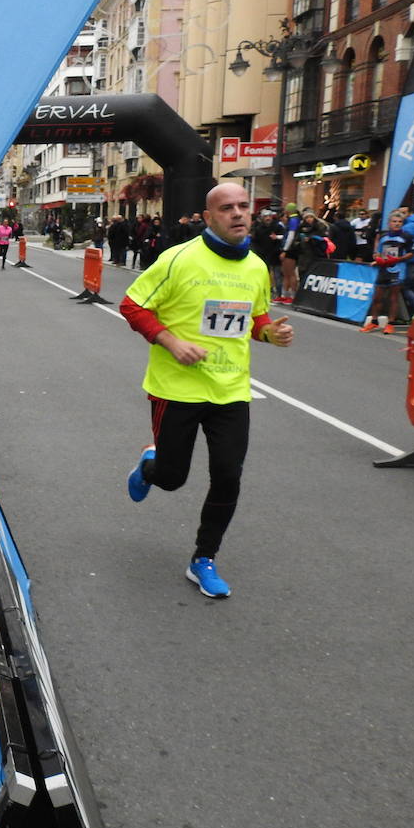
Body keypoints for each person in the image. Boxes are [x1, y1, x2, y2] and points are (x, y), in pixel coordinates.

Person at [119, 182, 294, 600]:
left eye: (243, 206)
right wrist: (171, 341)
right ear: (209, 216)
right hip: (176, 388)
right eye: (227, 208)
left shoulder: (254, 266)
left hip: (231, 389)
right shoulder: (178, 259)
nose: (237, 213)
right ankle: (149, 467)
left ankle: (204, 559)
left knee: (228, 477)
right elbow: (132, 305)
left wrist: (272, 335)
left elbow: (254, 320)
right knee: (173, 478)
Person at [359, 209, 414, 334]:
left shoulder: (406, 237)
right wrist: (377, 258)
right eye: (394, 221)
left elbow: (412, 253)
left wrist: (399, 259)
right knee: (377, 297)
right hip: (383, 270)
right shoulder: (384, 237)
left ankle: (390, 324)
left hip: (398, 270)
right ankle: (374, 322)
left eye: (400, 222)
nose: (397, 224)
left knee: (393, 298)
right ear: (389, 223)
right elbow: (378, 252)